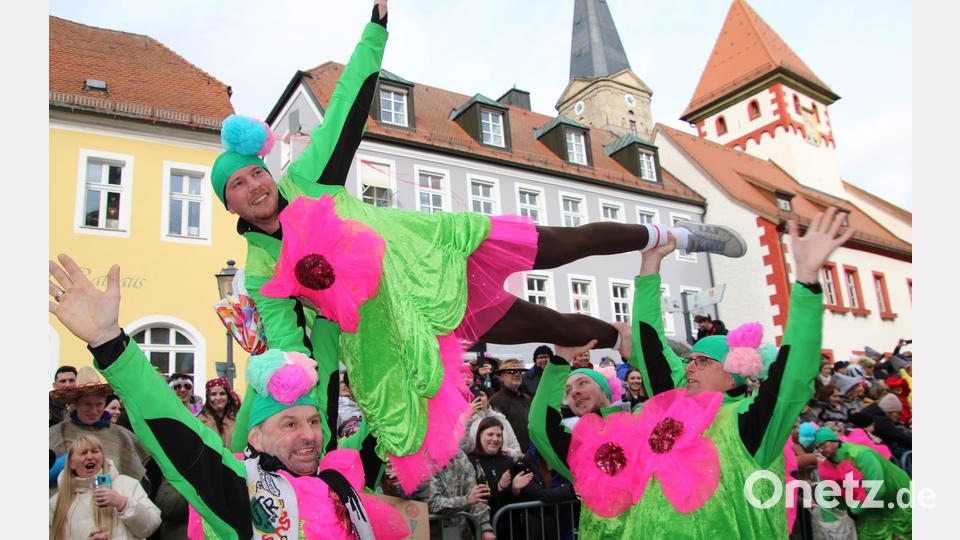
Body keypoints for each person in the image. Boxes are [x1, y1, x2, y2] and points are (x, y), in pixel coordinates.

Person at [209, 0, 749, 490]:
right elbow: (289, 344)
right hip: (422, 315)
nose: (255, 187)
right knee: (552, 327)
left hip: (440, 247)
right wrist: (285, 383)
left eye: (256, 173)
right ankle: (625, 336)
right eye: (238, 186)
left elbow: (349, 105)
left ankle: (673, 234)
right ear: (230, 205)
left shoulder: (309, 180)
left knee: (563, 243)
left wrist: (375, 29)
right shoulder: (261, 269)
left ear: (267, 168)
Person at [529, 208, 852, 538]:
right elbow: (651, 343)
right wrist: (651, 264)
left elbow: (794, 374)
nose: (690, 366)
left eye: (703, 361)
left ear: (734, 372)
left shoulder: (749, 421)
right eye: (690, 360)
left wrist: (807, 283)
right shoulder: (671, 408)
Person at [48, 249, 409, 540]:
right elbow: (176, 436)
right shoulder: (240, 492)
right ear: (256, 436)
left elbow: (389, 423)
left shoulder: (341, 479)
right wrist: (110, 344)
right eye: (289, 424)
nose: (310, 434)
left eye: (314, 421)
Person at [49, 434, 161, 540]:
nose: (90, 456)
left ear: (102, 457)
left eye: (95, 451)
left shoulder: (127, 484)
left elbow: (150, 527)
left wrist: (123, 503)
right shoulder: (56, 502)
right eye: (83, 453)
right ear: (71, 464)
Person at [50, 367, 148, 486]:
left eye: (99, 404)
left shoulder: (122, 436)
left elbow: (133, 480)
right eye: (87, 405)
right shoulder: (57, 433)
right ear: (76, 404)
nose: (94, 410)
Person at [814, 427, 911, 539]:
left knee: (904, 531)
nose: (821, 450)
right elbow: (826, 495)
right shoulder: (827, 465)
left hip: (896, 495)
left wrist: (855, 509)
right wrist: (831, 524)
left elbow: (877, 489)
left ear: (834, 441)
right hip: (870, 505)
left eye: (823, 445)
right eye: (817, 448)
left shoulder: (861, 454)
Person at [425, 449, 496, 540]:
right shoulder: (421, 459)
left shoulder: (459, 455)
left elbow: (476, 495)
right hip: (433, 534)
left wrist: (485, 528)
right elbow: (433, 503)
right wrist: (466, 500)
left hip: (462, 533)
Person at [467, 418, 517, 532]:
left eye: (499, 435)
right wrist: (498, 487)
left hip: (510, 527)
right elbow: (476, 499)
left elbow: (515, 499)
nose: (495, 439)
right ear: (479, 436)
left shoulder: (507, 461)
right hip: (483, 528)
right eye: (490, 434)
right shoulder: (470, 461)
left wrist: (515, 489)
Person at [461, 378, 522, 460]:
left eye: (481, 395)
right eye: (472, 396)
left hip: (503, 466)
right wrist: (466, 418)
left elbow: (516, 449)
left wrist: (505, 452)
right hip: (479, 467)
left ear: (488, 398)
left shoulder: (500, 418)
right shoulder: (463, 420)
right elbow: (461, 450)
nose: (477, 399)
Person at [489, 358, 533, 452]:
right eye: (512, 371)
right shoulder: (496, 401)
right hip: (511, 456)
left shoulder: (527, 398)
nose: (517, 374)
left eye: (519, 372)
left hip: (531, 453)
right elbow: (496, 431)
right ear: (502, 376)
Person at [196, 377, 241, 448]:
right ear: (208, 397)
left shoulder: (238, 419)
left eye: (222, 393)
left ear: (228, 397)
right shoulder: (199, 421)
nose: (218, 398)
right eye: (213, 394)